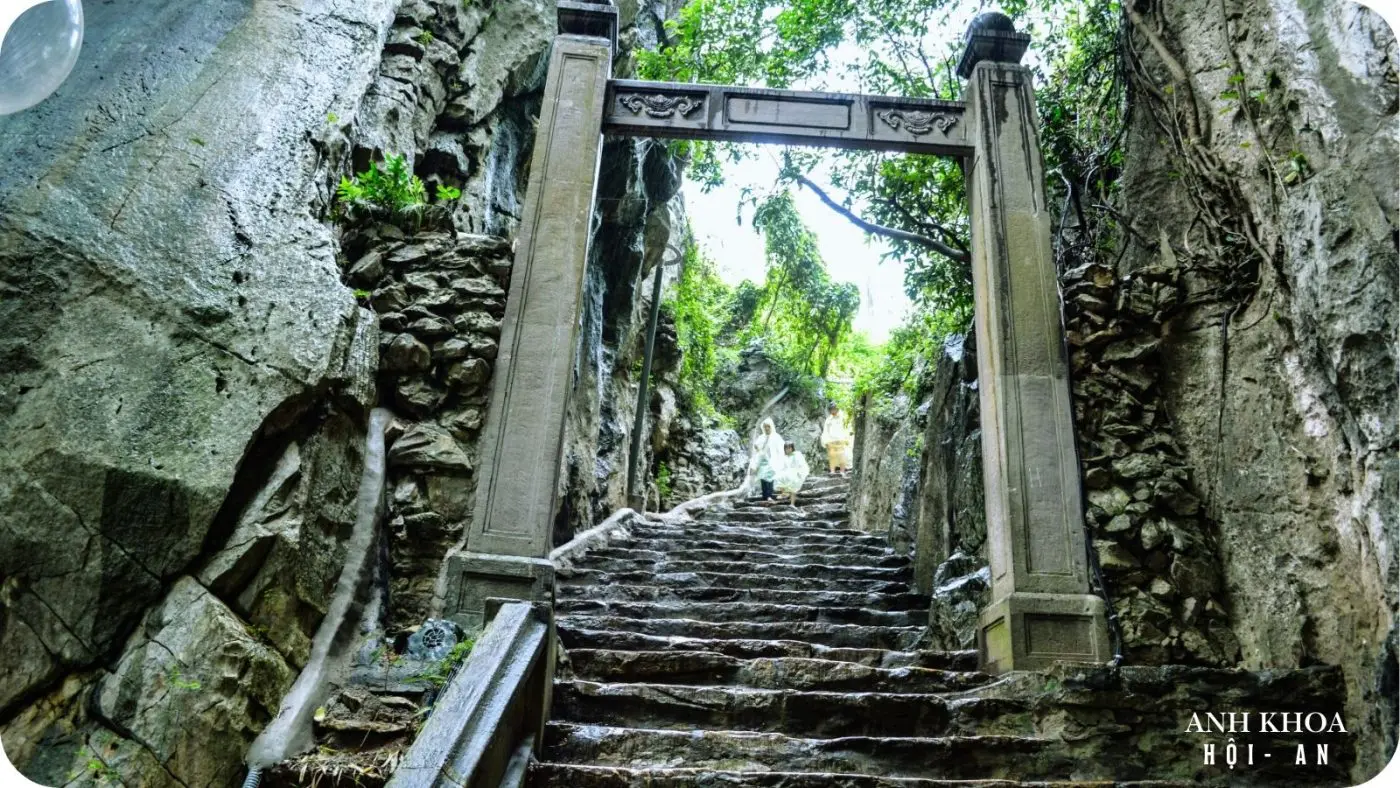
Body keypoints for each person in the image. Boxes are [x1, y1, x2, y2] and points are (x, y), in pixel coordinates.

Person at [749, 417, 785, 502]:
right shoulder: (761, 437)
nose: (766, 428)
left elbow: (781, 447)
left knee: (770, 477)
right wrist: (757, 448)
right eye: (765, 426)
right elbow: (756, 447)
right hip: (762, 460)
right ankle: (765, 496)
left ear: (771, 427)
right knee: (763, 477)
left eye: (768, 426)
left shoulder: (776, 437)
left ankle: (769, 495)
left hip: (772, 460)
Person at [773, 441, 810, 506]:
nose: (788, 449)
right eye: (786, 448)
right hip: (787, 472)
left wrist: (799, 472)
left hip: (795, 472)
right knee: (778, 477)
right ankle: (784, 493)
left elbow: (801, 464)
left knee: (793, 485)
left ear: (792, 448)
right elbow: (781, 466)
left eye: (789, 448)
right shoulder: (784, 457)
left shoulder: (797, 454)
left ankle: (792, 503)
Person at [820, 403, 853, 475]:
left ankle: (842, 471)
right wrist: (825, 440)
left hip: (841, 439)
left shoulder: (844, 416)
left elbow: (848, 428)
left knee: (842, 455)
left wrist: (846, 438)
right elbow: (826, 430)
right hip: (831, 440)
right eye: (831, 409)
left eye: (834, 408)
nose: (833, 410)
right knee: (832, 455)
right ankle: (832, 471)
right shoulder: (828, 419)